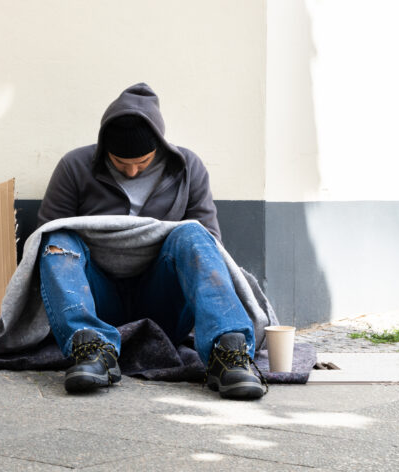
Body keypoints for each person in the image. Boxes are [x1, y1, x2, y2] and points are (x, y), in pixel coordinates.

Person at [36, 83, 266, 400]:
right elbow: (44, 237)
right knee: (56, 238)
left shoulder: (187, 168)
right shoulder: (75, 166)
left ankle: (227, 354)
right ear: (104, 150)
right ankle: (89, 347)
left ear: (159, 146)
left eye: (142, 162)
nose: (131, 171)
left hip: (163, 300)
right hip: (98, 299)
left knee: (195, 234)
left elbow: (211, 245)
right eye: (119, 162)